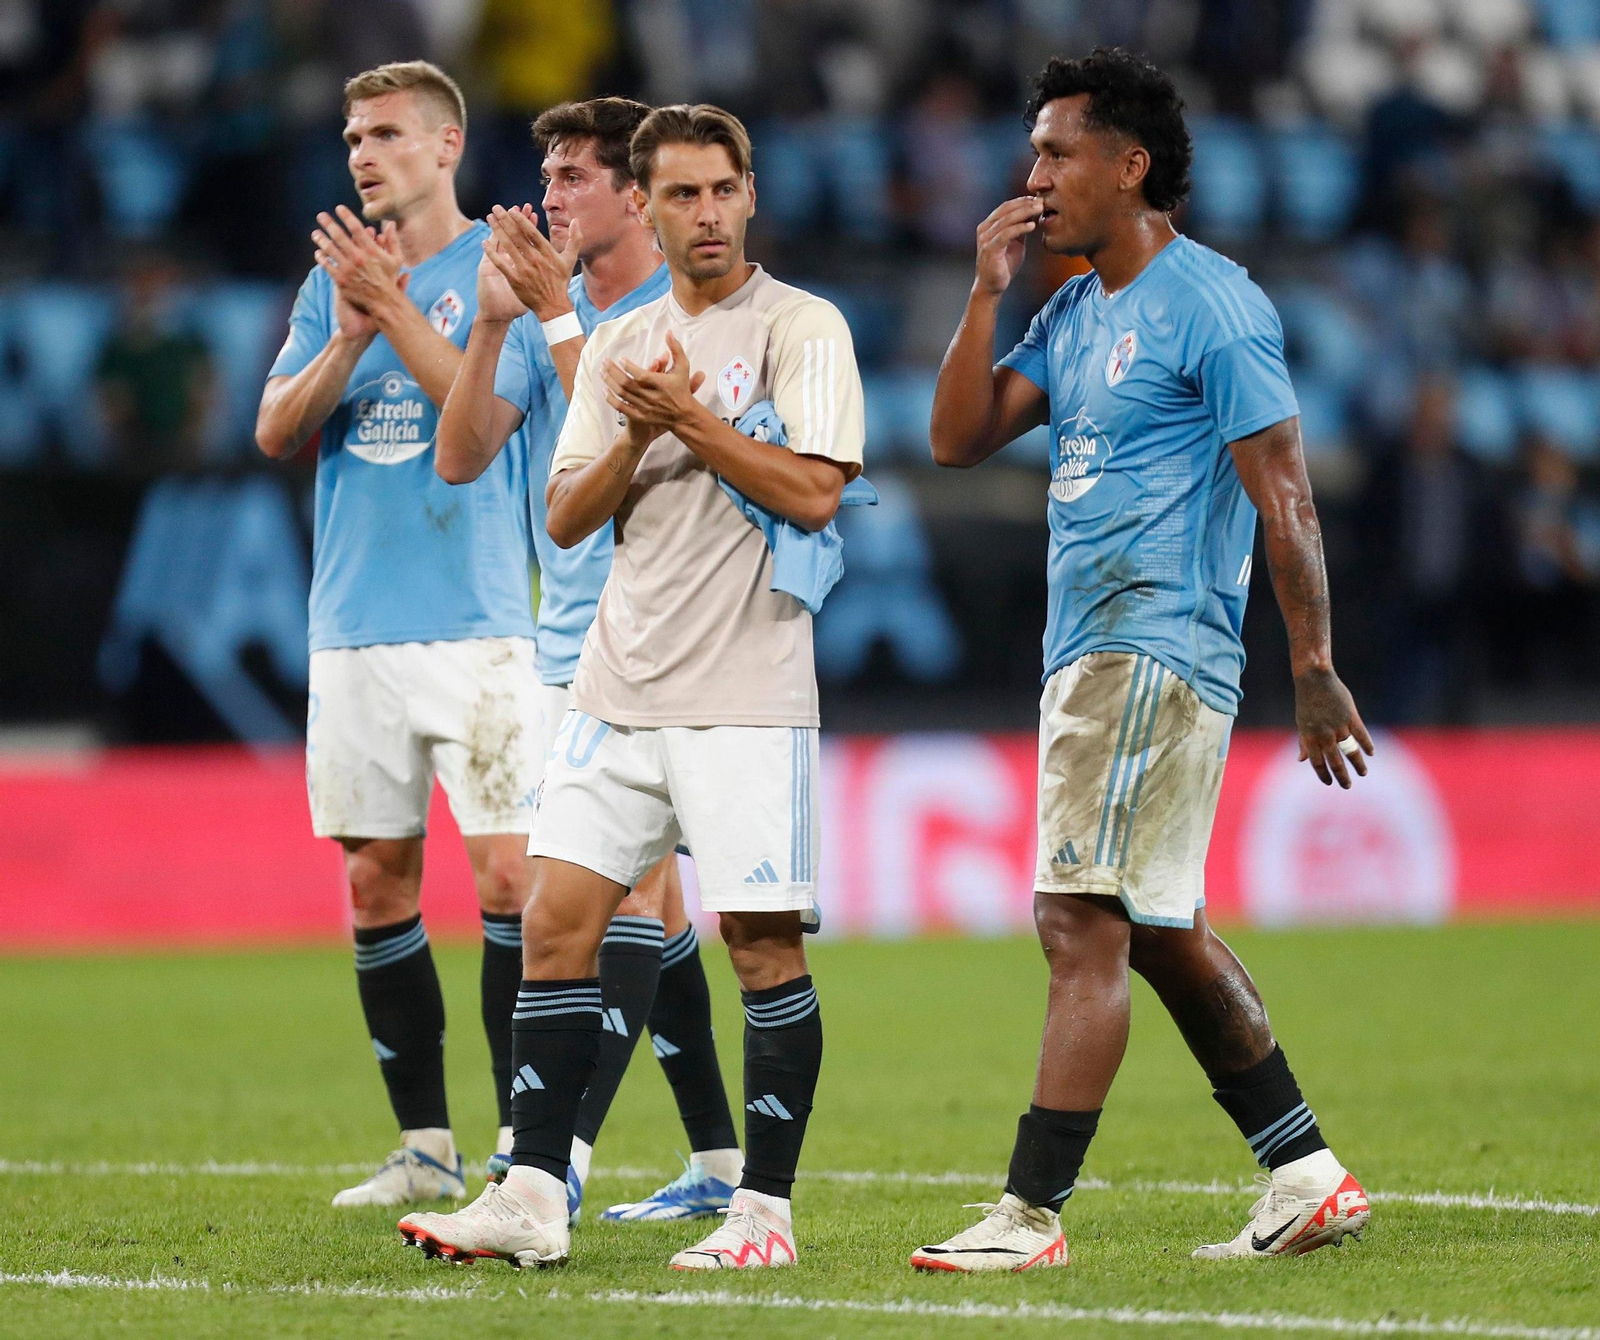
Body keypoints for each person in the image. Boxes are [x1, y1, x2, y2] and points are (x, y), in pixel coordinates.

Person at [911, 48, 1373, 1272]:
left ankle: (1028, 1212)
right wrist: (982, 290)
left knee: (1078, 919)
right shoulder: (1068, 310)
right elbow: (955, 437)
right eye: (1032, 153)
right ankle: (1304, 1170)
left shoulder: (1211, 300)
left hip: (1151, 643)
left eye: (1058, 152)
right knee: (1159, 925)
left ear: (1131, 166)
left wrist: (1313, 664)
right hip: (1094, 647)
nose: (1034, 175)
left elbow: (1286, 494)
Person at [397, 102, 863, 1271]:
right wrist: (636, 437)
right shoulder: (617, 344)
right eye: (682, 194)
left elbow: (813, 493)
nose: (704, 213)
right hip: (616, 686)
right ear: (648, 208)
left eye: (721, 190)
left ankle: (763, 1214)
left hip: (745, 689)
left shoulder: (803, 330)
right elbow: (563, 515)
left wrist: (692, 423)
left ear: (750, 194)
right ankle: (534, 1195)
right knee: (553, 922)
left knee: (758, 945)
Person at [434, 95, 743, 1223]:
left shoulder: (686, 314)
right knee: (648, 910)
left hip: (667, 643)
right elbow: (463, 456)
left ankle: (548, 1158)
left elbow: (632, 452)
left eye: (569, 176)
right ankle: (714, 1157)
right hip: (562, 644)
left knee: (594, 898)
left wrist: (556, 318)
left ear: (632, 192)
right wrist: (488, 322)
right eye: (547, 174)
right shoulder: (537, 314)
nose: (546, 195)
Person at [254, 60, 541, 1208]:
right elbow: (277, 426)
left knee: (510, 878)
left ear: (445, 142)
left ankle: (529, 1145)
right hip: (352, 625)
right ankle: (426, 1142)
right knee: (377, 881)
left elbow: (473, 421)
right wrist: (347, 324)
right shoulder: (336, 282)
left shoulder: (501, 270)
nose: (359, 153)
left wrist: (388, 305)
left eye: (381, 133)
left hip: (476, 622)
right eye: (350, 135)